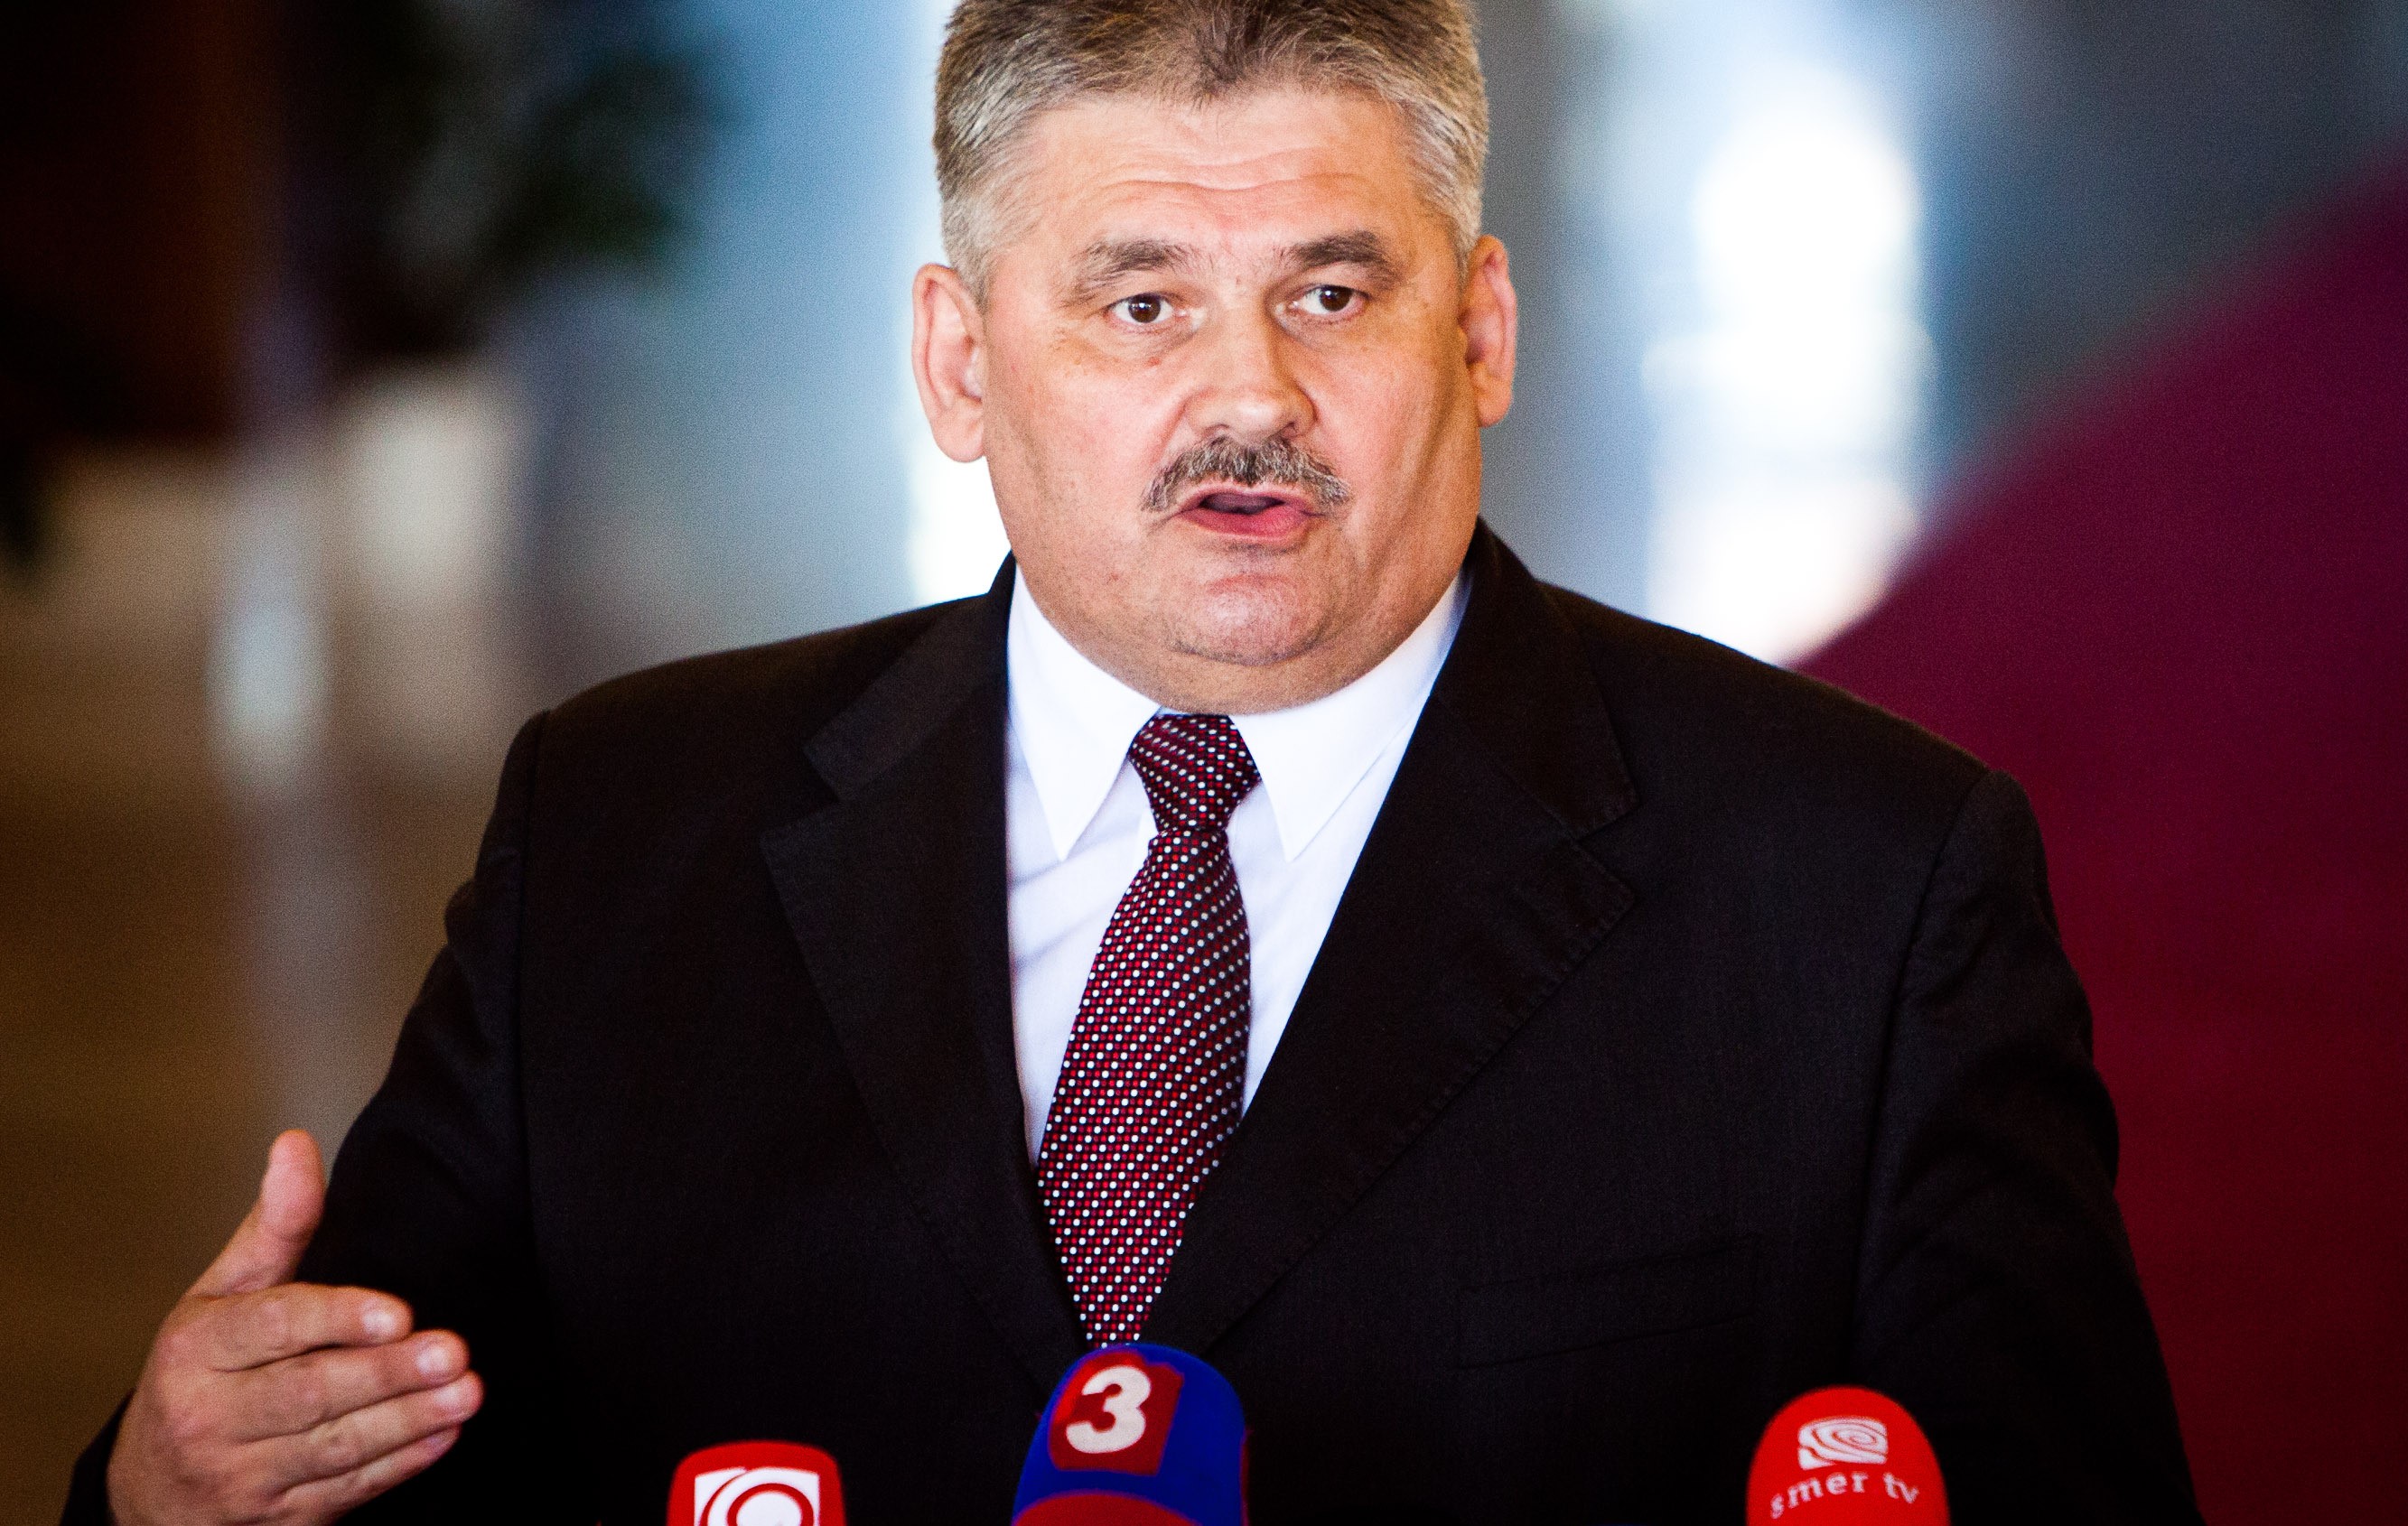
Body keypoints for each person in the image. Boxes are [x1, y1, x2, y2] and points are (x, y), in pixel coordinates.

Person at [70, 2, 2200, 1521]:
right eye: (1142, 304)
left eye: (1333, 294)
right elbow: (351, 1451)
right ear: (958, 361)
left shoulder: (1865, 890)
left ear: (1481, 333)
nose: (1247, 398)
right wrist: (168, 1484)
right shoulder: (622, 833)